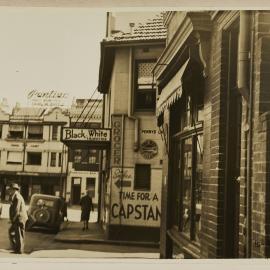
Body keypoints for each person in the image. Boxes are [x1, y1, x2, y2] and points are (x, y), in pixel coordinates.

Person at [8, 183, 28, 254]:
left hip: (19, 218)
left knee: (18, 234)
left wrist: (13, 219)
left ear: (14, 190)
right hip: (18, 218)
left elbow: (16, 210)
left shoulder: (17, 197)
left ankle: (19, 250)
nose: (9, 191)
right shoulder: (15, 196)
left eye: (10, 189)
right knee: (15, 232)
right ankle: (17, 248)